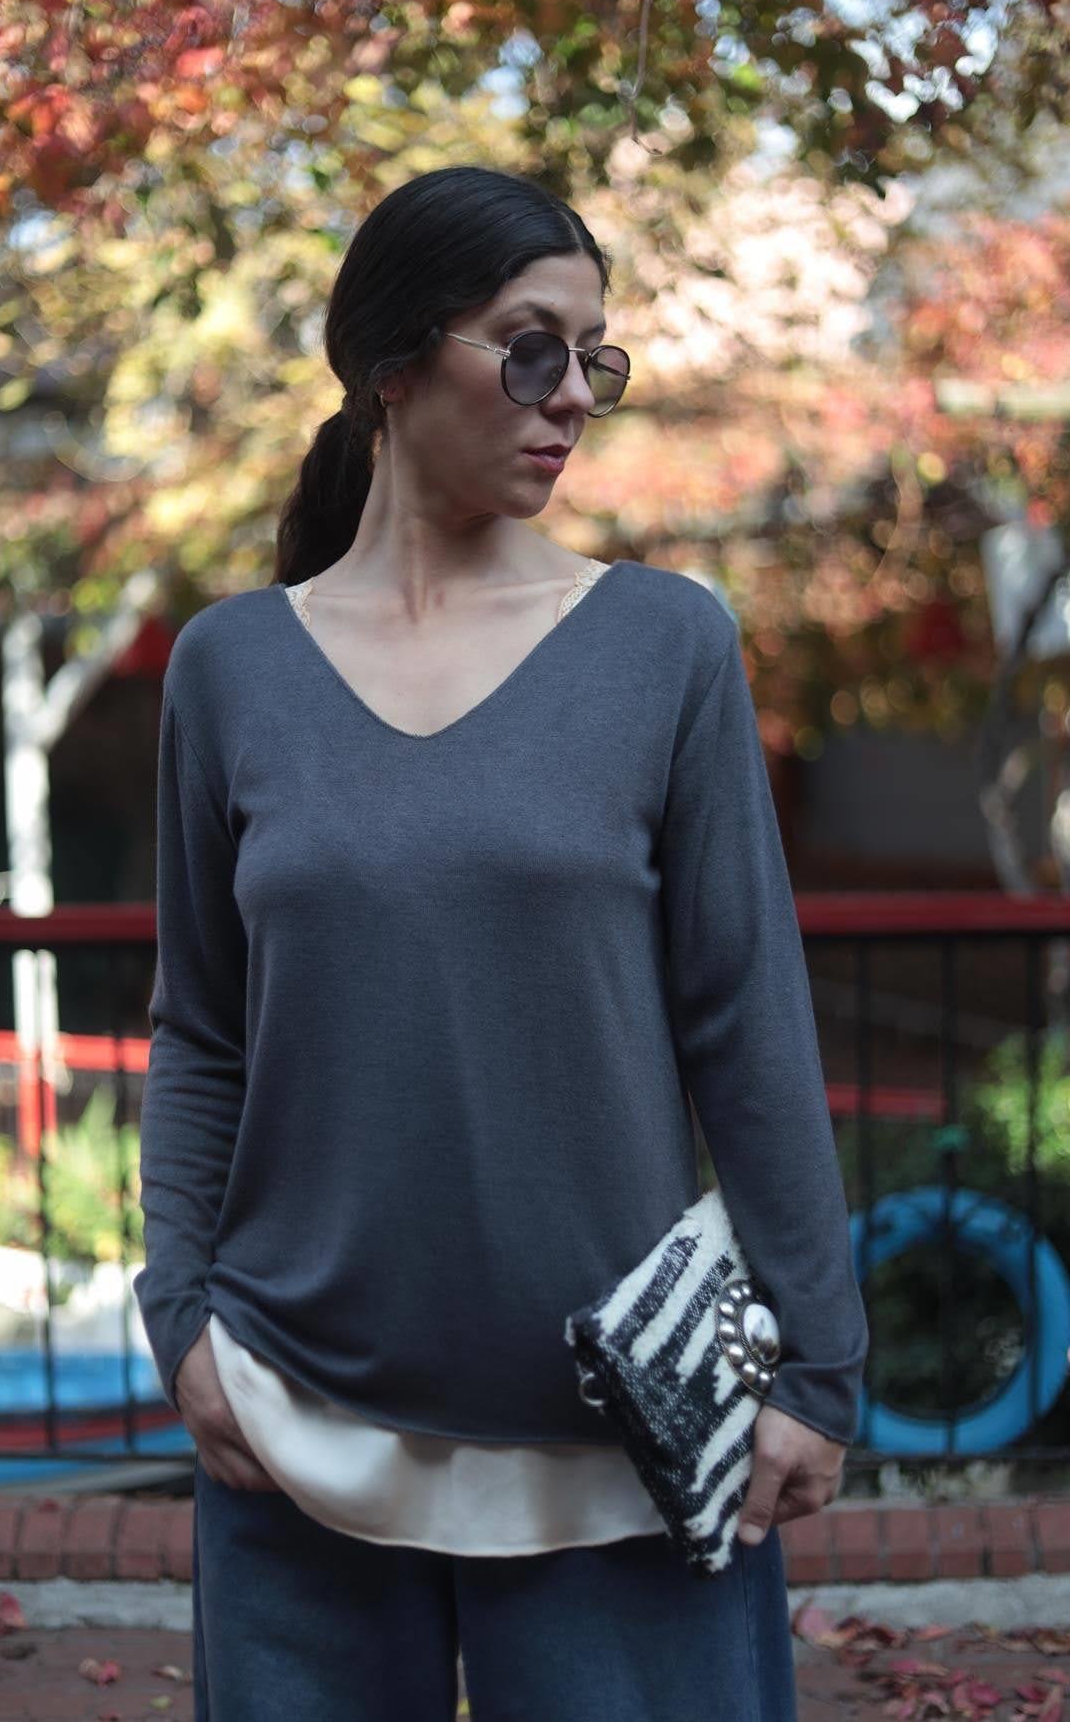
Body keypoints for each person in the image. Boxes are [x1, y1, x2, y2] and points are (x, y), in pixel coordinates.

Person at [135, 163, 869, 1722]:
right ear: (393, 362)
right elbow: (201, 1027)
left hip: (630, 1432)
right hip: (292, 1419)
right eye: (532, 348)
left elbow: (746, 1019)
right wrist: (182, 1320)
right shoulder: (230, 669)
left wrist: (819, 1366)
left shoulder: (667, 644)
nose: (575, 396)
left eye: (595, 357)